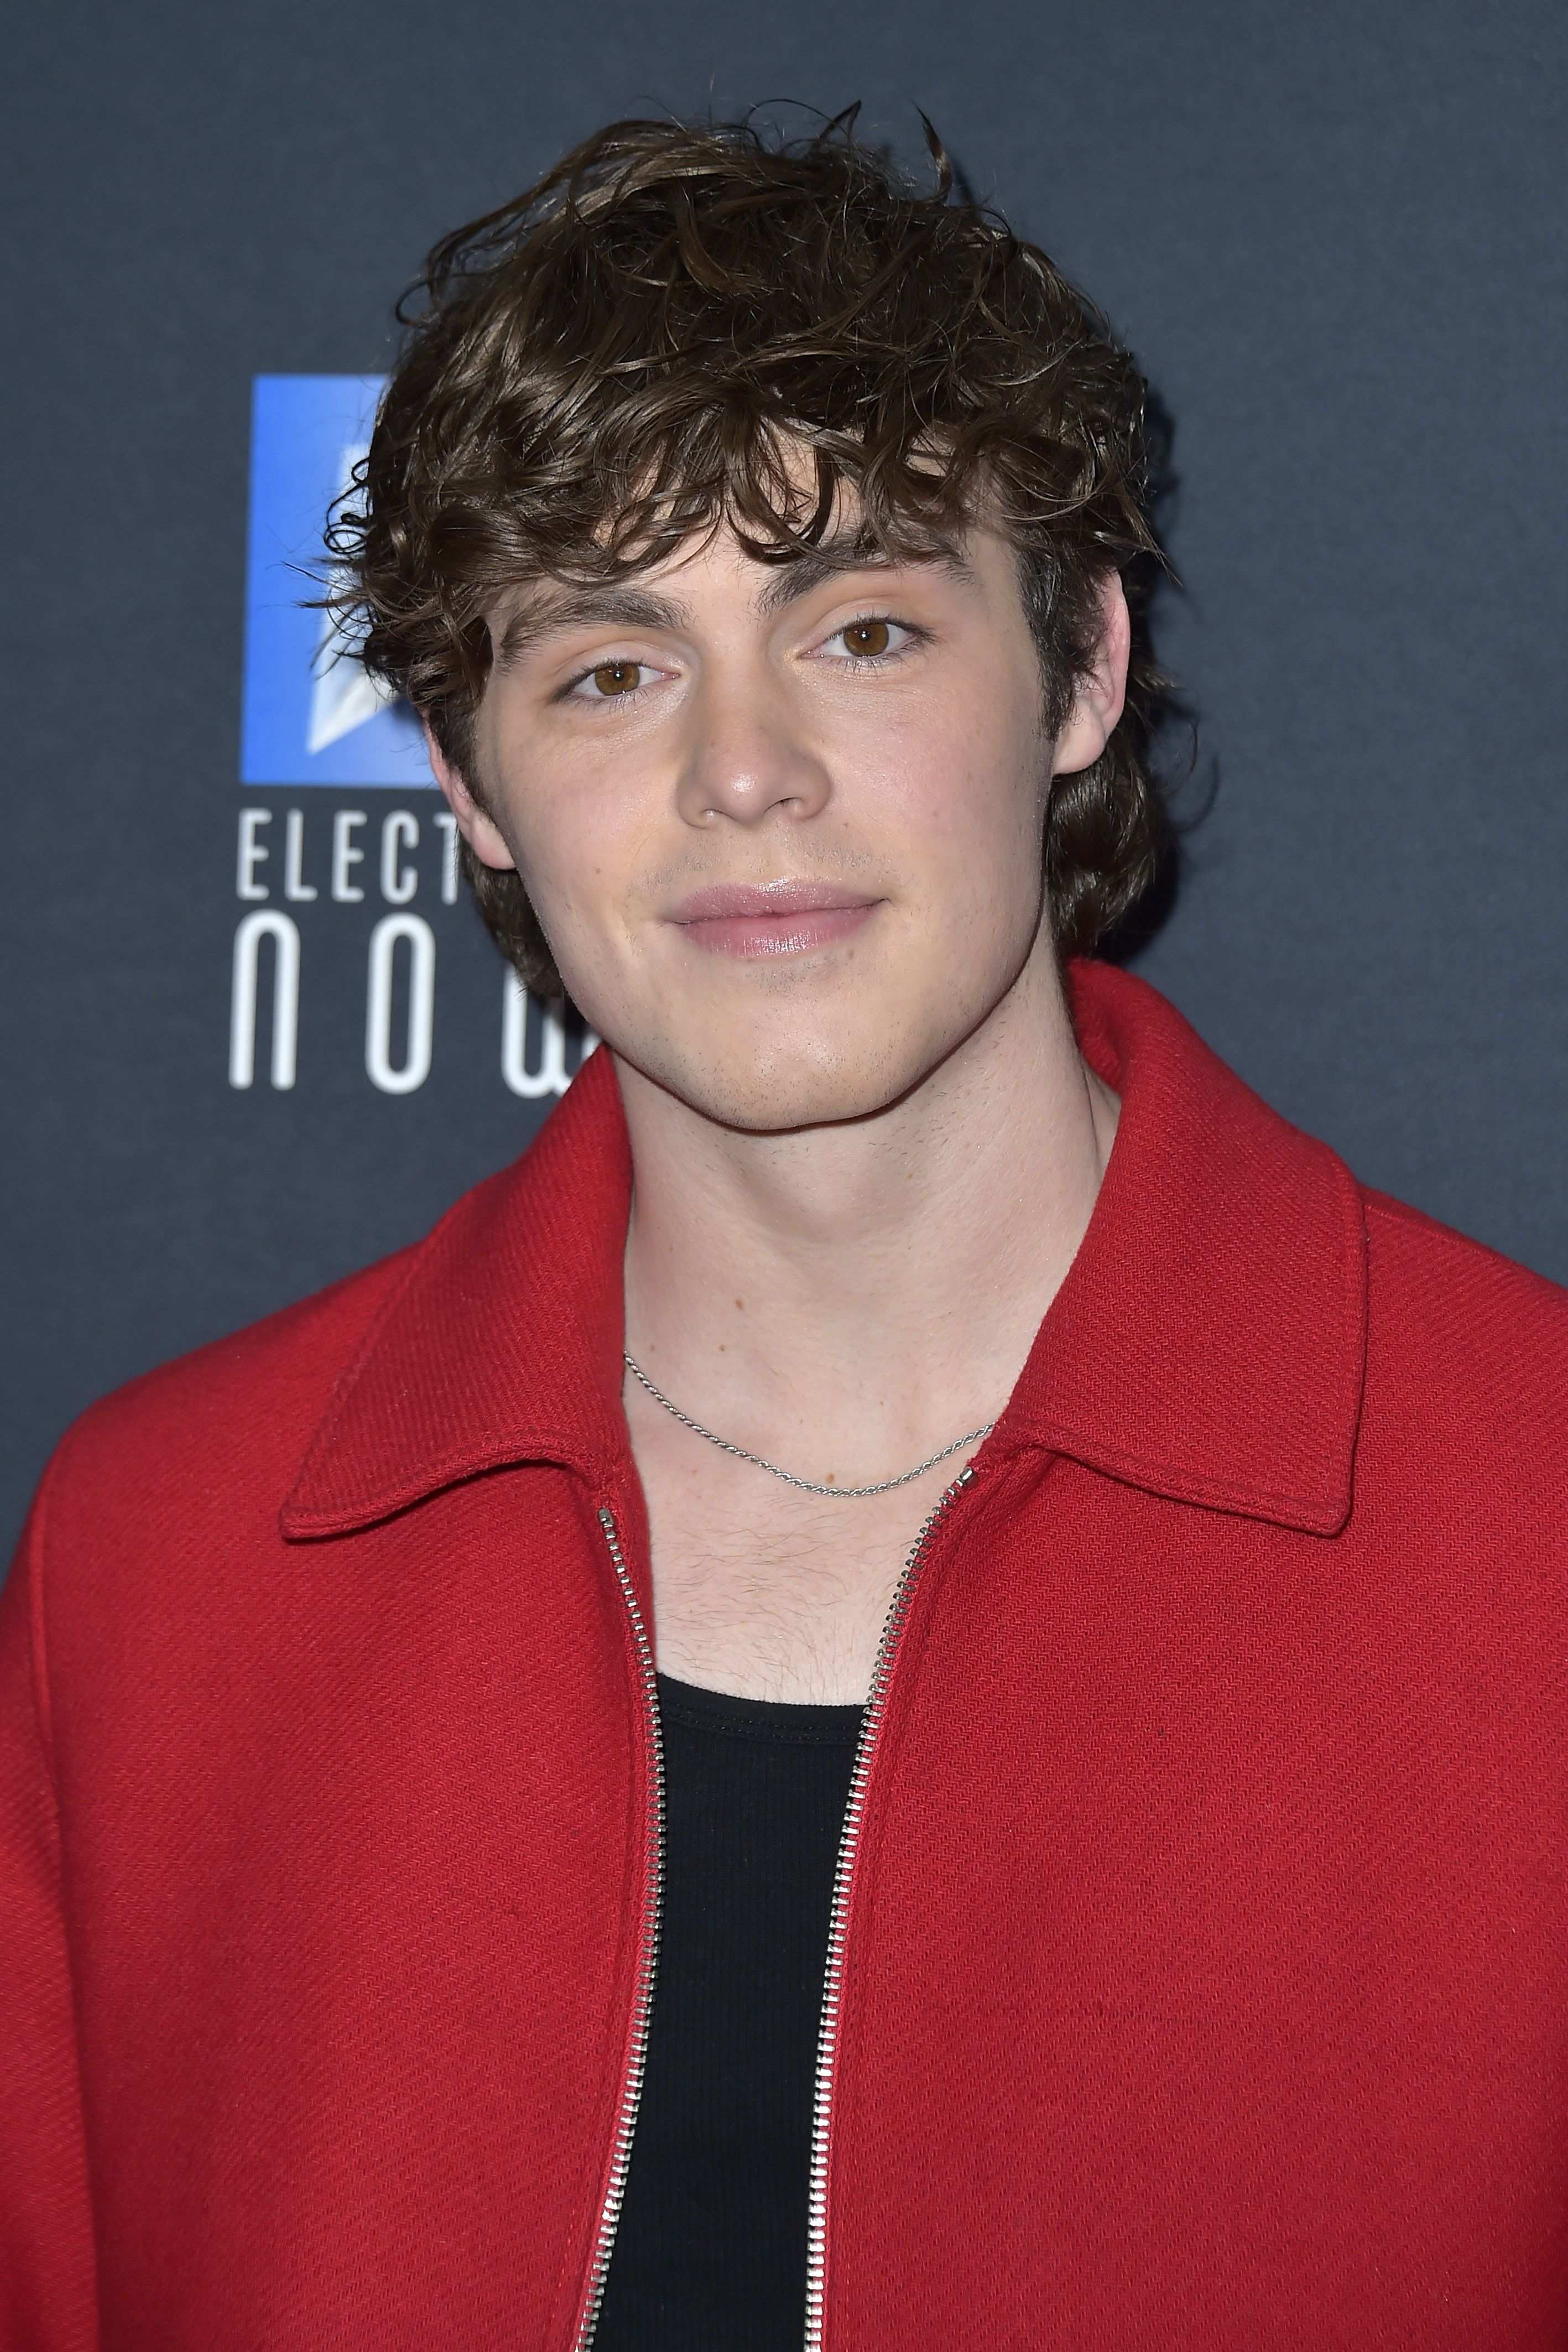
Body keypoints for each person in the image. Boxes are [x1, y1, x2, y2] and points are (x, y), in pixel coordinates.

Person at [4, 107, 1566, 2352]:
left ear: (1082, 670)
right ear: (466, 781)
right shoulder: (159, 1565)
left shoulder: (1534, 1526)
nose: (743, 768)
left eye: (855, 626)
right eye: (607, 666)